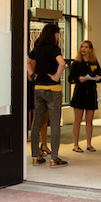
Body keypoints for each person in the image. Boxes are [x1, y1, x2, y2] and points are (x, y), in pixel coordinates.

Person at [27, 24, 68, 167]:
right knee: (55, 123)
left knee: (36, 122)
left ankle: (35, 156)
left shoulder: (38, 47)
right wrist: (56, 77)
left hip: (38, 88)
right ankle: (54, 158)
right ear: (54, 34)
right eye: (57, 33)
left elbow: (27, 60)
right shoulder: (54, 48)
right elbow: (62, 64)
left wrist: (32, 75)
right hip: (53, 90)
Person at [69, 40, 101, 153]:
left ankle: (89, 144)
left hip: (91, 93)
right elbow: (70, 79)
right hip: (79, 93)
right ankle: (75, 144)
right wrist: (79, 79)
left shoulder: (94, 63)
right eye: (82, 47)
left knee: (90, 121)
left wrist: (97, 77)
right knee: (77, 120)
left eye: (86, 47)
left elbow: (100, 76)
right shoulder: (76, 63)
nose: (83, 49)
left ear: (90, 49)